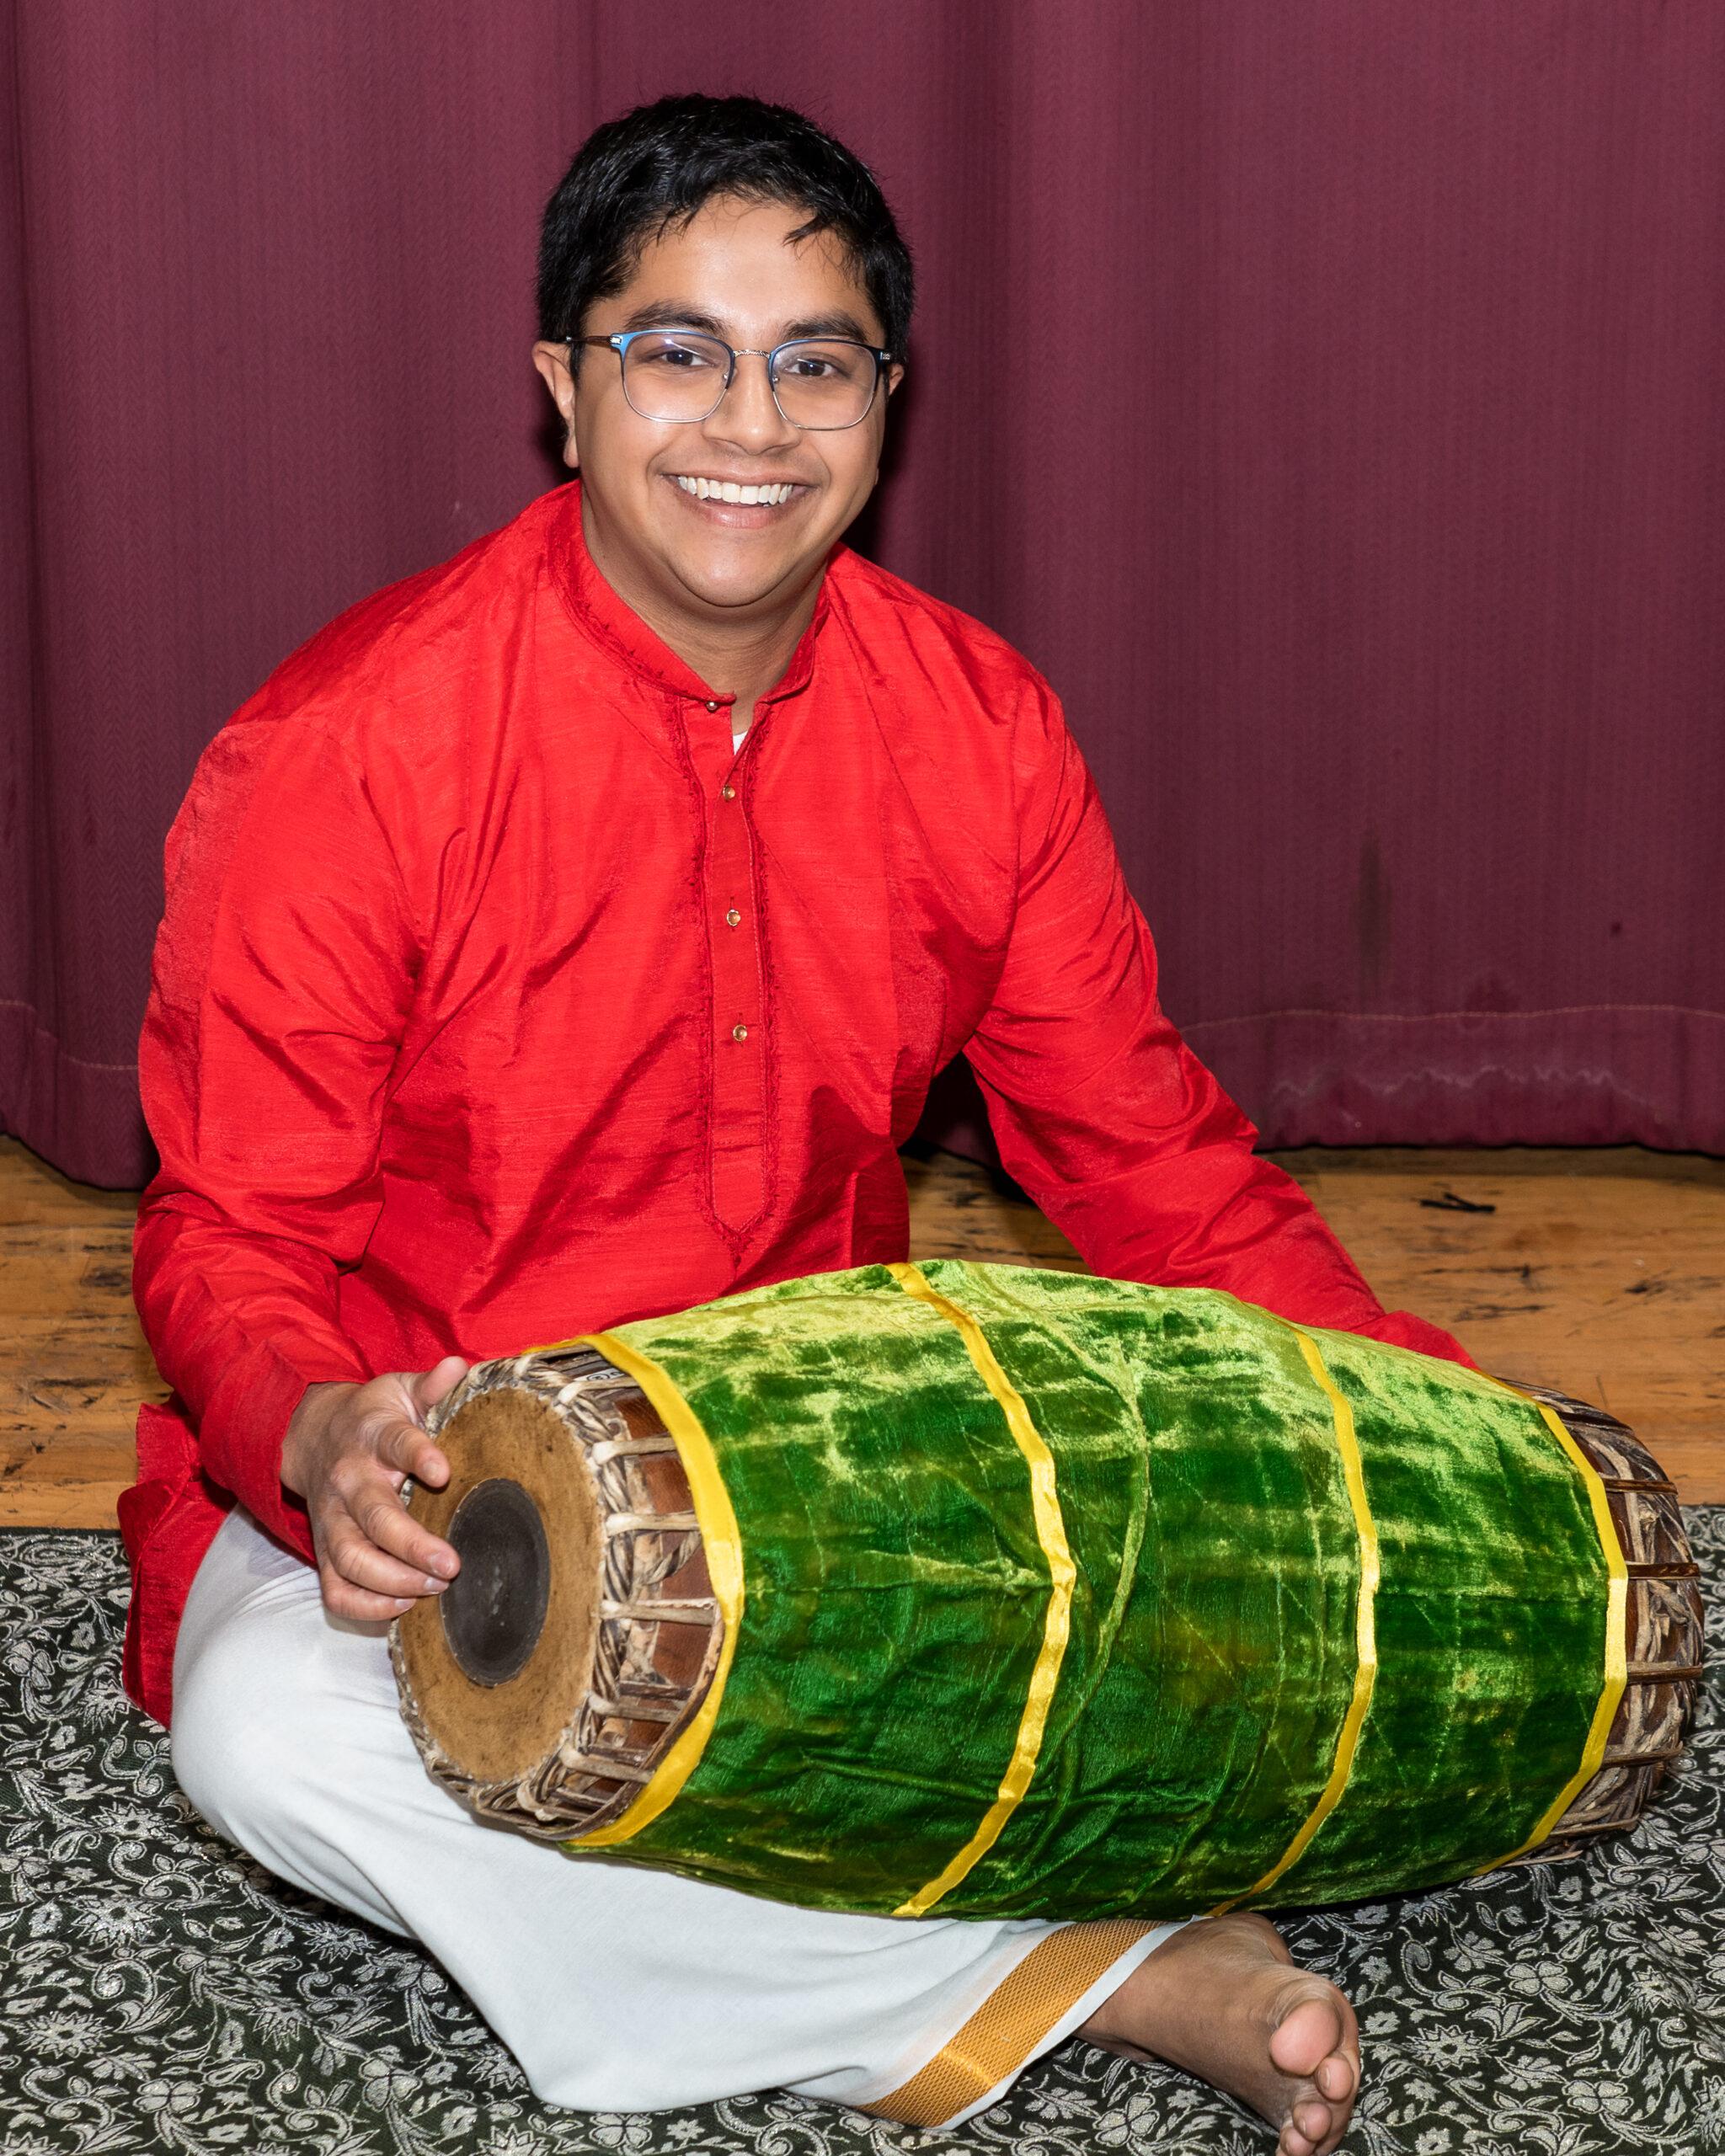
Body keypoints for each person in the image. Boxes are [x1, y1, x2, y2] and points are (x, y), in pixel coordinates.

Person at [124, 93, 1470, 2156]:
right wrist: (316, 1428)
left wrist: (1448, 1444)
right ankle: (1098, 1964)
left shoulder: (980, 729)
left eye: (813, 360)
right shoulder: (349, 755)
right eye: (677, 348)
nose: (748, 421)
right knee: (265, 1738)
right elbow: (228, 1232)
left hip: (831, 1474)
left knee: (1204, 1534)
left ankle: (783, 1882)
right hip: (445, 1494)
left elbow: (1148, 1162)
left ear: (883, 403)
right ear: (563, 386)